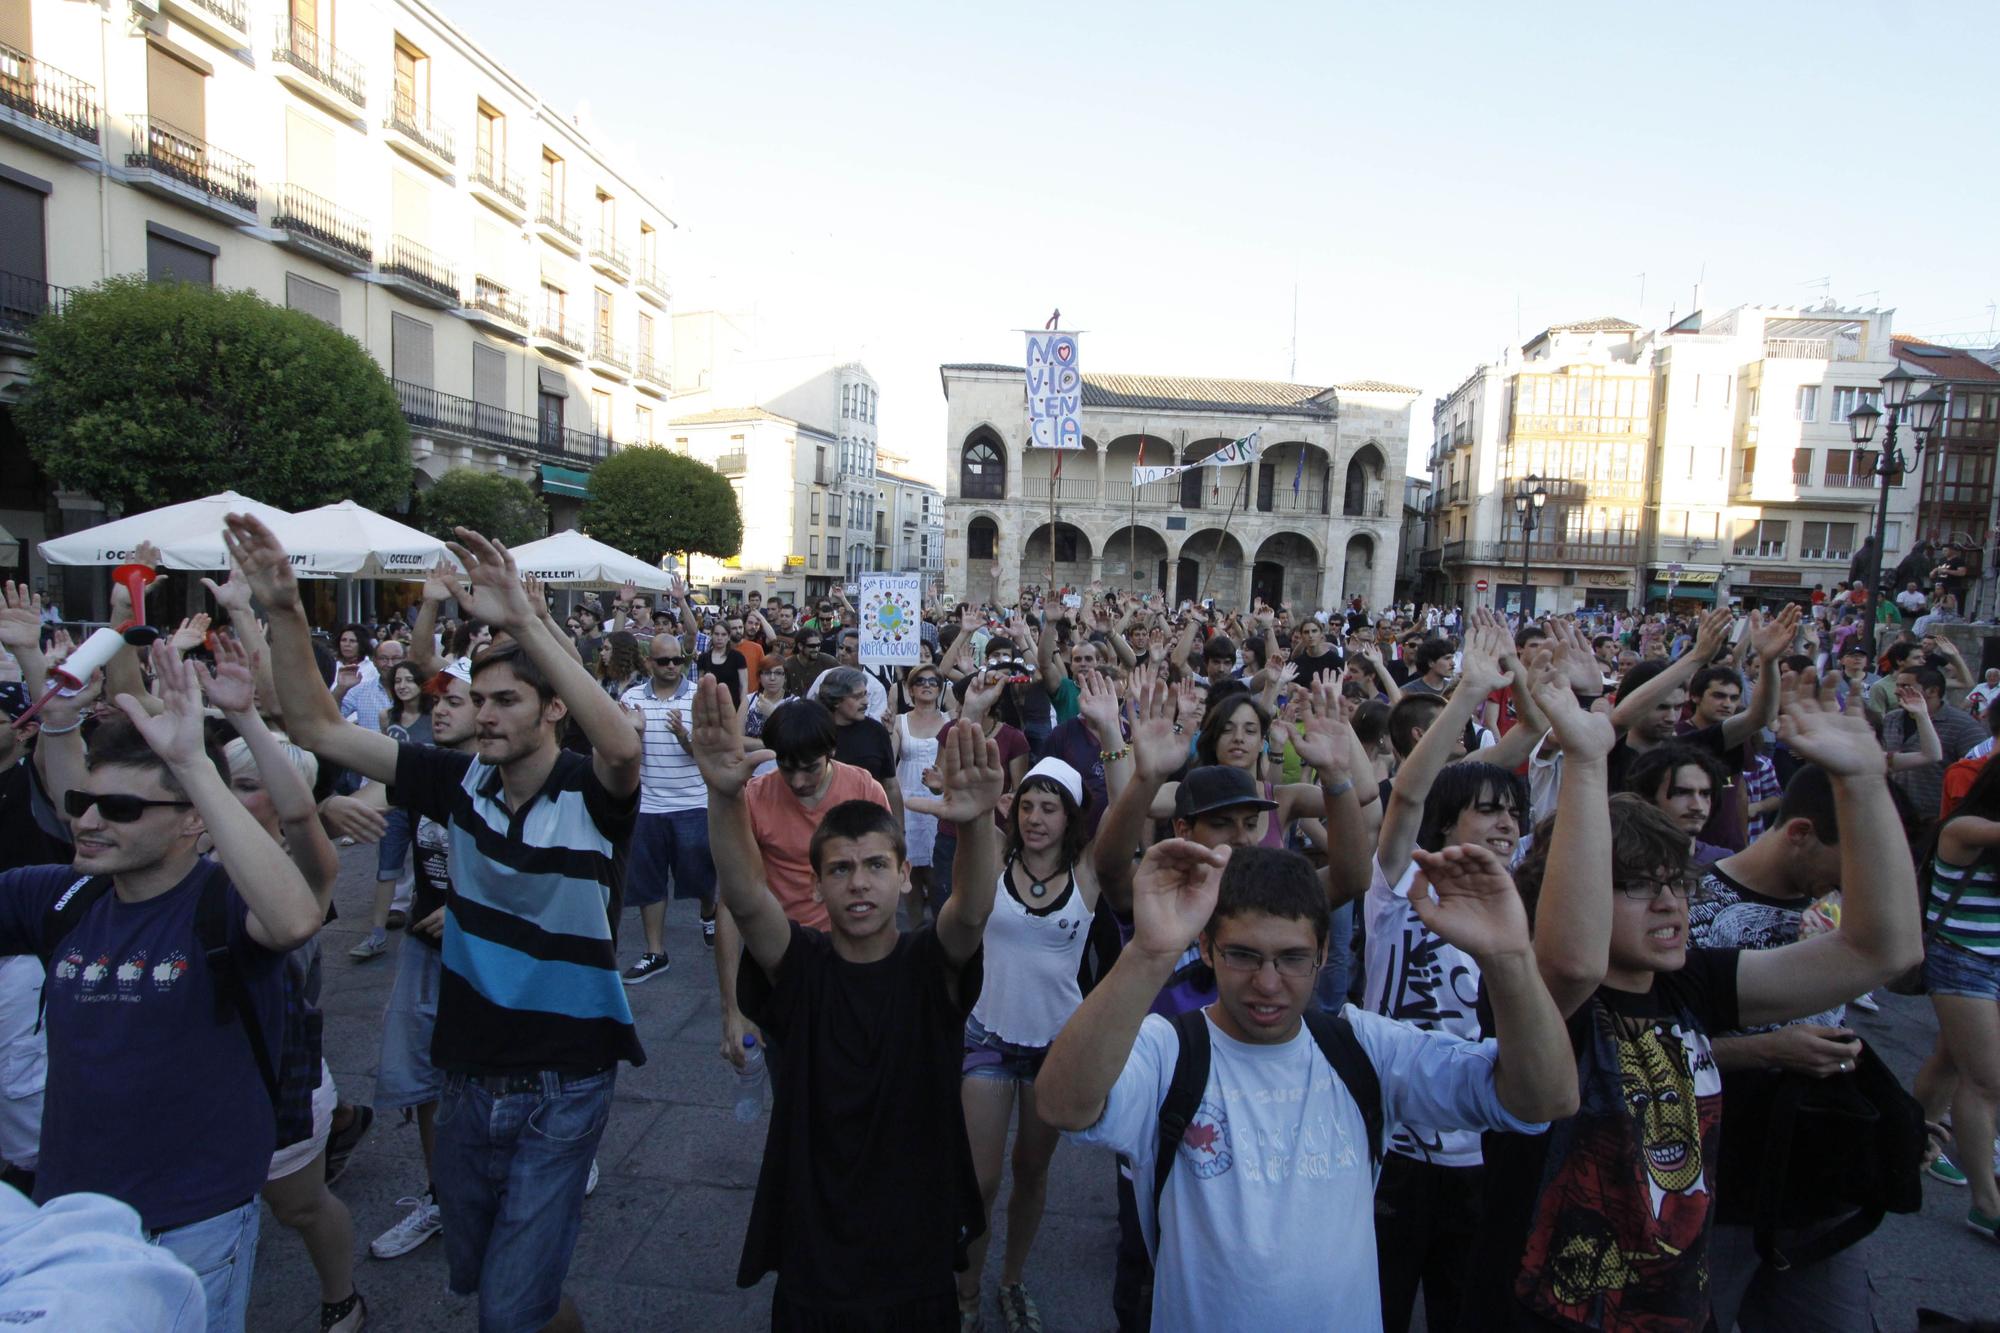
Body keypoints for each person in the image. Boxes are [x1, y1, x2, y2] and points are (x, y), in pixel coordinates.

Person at [237, 514, 643, 1333]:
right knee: (494, 1278)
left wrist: (525, 618)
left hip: (566, 1079)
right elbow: (317, 728)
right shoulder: (458, 782)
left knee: (507, 1306)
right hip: (463, 1074)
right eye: (475, 700)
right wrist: (282, 608)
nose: (483, 714)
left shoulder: (590, 792)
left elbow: (624, 745)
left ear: (552, 708)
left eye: (505, 700)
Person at [1468, 672, 1921, 1330]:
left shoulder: (1688, 982)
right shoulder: (1536, 992)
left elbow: (1881, 950)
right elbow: (1574, 958)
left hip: (1672, 1305)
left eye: (1675, 883)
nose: (1669, 905)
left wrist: (1862, 782)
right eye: (1635, 887)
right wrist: (1591, 761)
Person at [1035, 827, 1577, 1333]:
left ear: (1323, 955)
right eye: (1244, 955)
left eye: (1292, 959)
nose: (1268, 984)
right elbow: (1061, 1104)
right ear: (1205, 948)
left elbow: (1544, 1098)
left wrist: (1509, 959)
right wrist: (1149, 953)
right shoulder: (1168, 1051)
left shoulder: (1365, 1049)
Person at [0, 642, 328, 1333]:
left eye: (120, 808)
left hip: (194, 1215)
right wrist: (55, 716)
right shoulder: (59, 897)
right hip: (70, 1211)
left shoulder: (223, 904)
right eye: (84, 802)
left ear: (191, 821)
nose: (89, 821)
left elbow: (297, 915)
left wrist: (191, 762)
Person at [686, 675, 1009, 1328]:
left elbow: (971, 911)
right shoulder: (801, 966)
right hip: (817, 1247)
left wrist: (976, 825)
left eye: (873, 866)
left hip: (914, 1247)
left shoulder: (926, 967)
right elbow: (746, 898)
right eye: (839, 869)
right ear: (817, 883)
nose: (858, 883)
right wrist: (724, 796)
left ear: (902, 873)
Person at [956, 677, 1128, 1330]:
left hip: (1055, 1046)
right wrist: (970, 718)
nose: (1036, 817)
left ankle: (1012, 1277)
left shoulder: (1087, 874)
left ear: (1071, 816)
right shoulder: (995, 856)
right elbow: (969, 808)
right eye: (1028, 803)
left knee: (1031, 1173)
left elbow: (1129, 802)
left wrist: (1112, 733)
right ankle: (966, 1291)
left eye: (1051, 807)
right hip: (987, 1039)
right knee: (980, 1181)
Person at [1686, 765, 1880, 1328]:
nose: (1855, 882)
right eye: (1847, 859)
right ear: (1799, 833)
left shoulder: (1841, 909)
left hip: (1816, 1179)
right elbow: (1634, 1045)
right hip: (1709, 1182)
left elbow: (1890, 956)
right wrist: (1771, 1049)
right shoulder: (1687, 904)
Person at [710, 699, 893, 1072]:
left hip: (852, 958)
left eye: (809, 768)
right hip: (782, 961)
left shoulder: (863, 789)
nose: (797, 782)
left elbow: (884, 881)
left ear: (831, 751)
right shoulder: (755, 797)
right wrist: (733, 1009)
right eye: (785, 768)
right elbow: (730, 902)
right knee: (791, 1081)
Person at [367, 659, 477, 1262]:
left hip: (492, 953)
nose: (441, 708)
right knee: (422, 1075)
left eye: (456, 700)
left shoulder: (511, 775)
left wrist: (467, 910)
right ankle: (441, 1195)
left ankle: (554, 1158)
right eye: (438, 700)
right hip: (425, 946)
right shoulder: (421, 765)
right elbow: (361, 779)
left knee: (504, 1074)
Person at [1921, 754, 2000, 1240]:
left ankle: (1912, 1138)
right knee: (1986, 1081)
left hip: (1991, 962)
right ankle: (1986, 1203)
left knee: (1951, 1063)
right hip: (1961, 960)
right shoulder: (1965, 827)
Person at [617, 633, 716, 983]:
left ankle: (709, 913)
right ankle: (655, 952)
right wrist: (633, 733)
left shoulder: (697, 697)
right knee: (649, 881)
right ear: (649, 664)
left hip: (692, 802)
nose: (673, 666)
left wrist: (683, 738)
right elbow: (621, 752)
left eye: (678, 660)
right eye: (664, 661)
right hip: (648, 805)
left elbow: (709, 753)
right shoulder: (630, 698)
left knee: (701, 875)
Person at [348, 660, 434, 962]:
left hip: (427, 804)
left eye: (410, 679)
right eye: (398, 680)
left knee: (431, 867)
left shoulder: (434, 716)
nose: (403, 685)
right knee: (387, 866)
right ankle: (376, 933)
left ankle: (427, 920)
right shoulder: (388, 717)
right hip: (395, 802)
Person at [893, 663, 950, 923]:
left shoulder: (952, 721)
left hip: (941, 801)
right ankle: (915, 930)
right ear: (910, 690)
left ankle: (942, 931)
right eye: (920, 682)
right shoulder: (898, 721)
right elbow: (888, 761)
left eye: (933, 682)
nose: (927, 685)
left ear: (940, 689)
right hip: (909, 802)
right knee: (913, 872)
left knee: (939, 873)